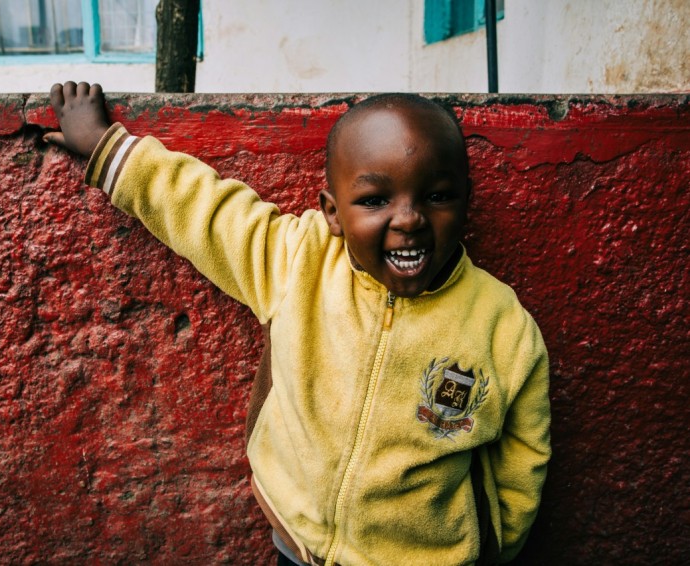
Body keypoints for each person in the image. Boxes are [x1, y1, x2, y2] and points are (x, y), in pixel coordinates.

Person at [44, 81, 551, 566]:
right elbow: (204, 210)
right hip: (297, 541)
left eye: (437, 197)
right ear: (332, 212)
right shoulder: (296, 261)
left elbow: (524, 456)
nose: (409, 219)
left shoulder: (502, 325)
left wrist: (494, 546)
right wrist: (106, 148)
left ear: (466, 199)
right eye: (375, 200)